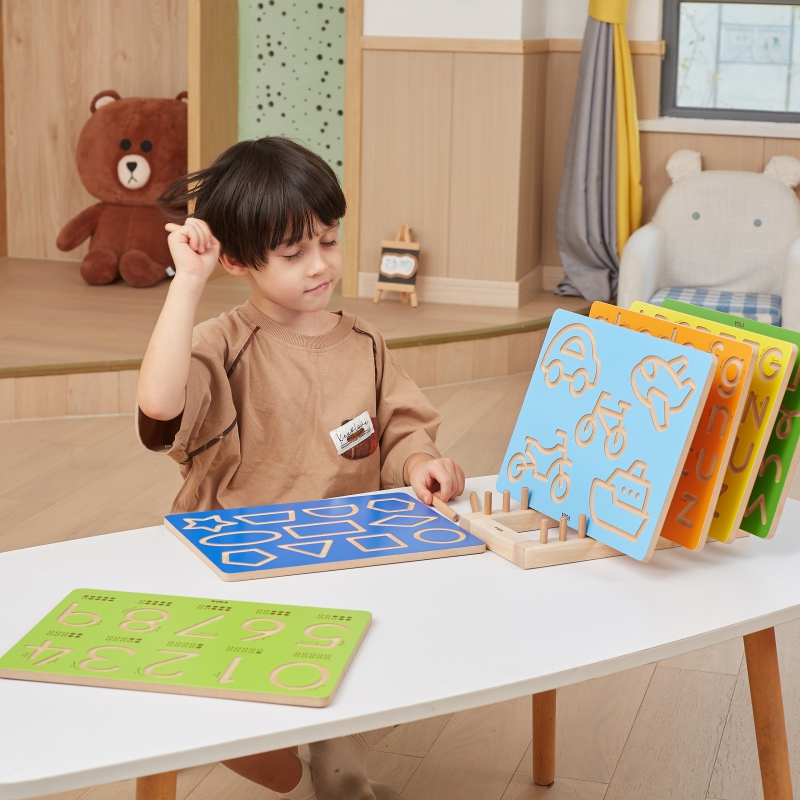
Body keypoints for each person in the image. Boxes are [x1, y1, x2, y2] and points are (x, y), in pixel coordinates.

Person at [136, 137, 465, 800]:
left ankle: (337, 765)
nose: (320, 265)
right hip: (237, 567)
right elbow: (159, 410)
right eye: (293, 254)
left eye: (329, 240)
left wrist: (421, 462)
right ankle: (267, 743)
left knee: (397, 654)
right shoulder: (223, 344)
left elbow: (400, 426)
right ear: (237, 260)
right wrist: (188, 285)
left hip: (345, 556)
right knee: (221, 704)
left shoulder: (365, 341)